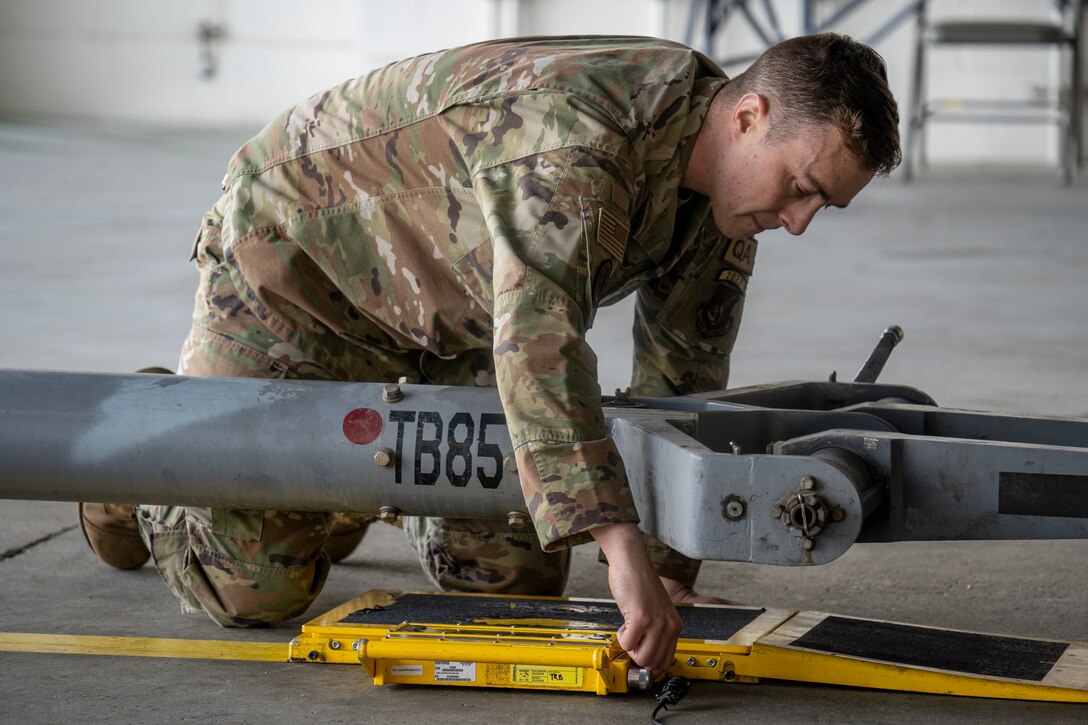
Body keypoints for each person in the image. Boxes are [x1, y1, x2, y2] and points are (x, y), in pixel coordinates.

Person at [79, 32, 900, 673]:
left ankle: (328, 495)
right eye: (801, 187)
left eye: (821, 206)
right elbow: (539, 346)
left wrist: (664, 565)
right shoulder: (584, 138)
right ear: (749, 117)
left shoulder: (727, 201)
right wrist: (618, 554)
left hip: (454, 312)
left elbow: (682, 381)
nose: (798, 221)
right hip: (295, 269)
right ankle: (145, 461)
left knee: (516, 580)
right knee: (255, 590)